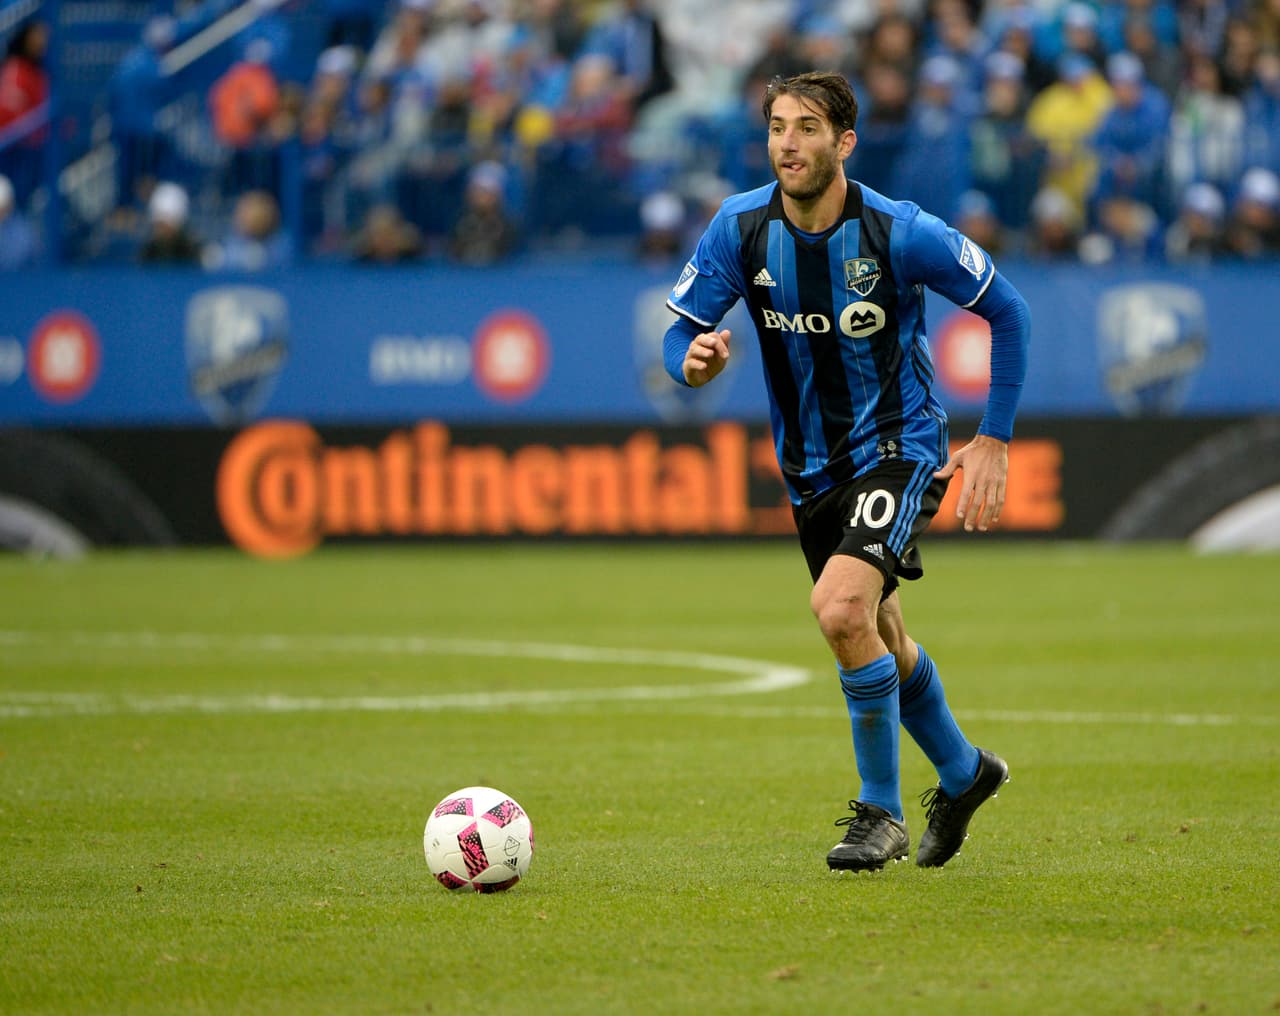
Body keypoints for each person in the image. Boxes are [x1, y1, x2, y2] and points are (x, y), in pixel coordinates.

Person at [662, 71, 1029, 872]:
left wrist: (994, 437)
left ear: (844, 142)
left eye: (806, 129)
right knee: (881, 634)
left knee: (838, 609)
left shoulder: (901, 232)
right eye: (777, 129)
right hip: (810, 471)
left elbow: (1011, 310)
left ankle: (881, 814)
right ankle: (965, 774)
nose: (787, 144)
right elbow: (682, 333)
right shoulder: (740, 227)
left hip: (901, 446)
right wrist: (692, 363)